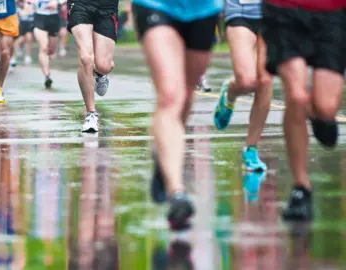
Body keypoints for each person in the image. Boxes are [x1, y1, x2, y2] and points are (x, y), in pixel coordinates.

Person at [131, 0, 222, 229]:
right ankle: (176, 192)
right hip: (156, 5)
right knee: (170, 95)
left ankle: (162, 153)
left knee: (186, 96)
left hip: (204, 9)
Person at [262, 0, 346, 221]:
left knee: (327, 107)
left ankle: (319, 114)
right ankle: (301, 187)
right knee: (296, 96)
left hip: (331, 13)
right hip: (283, 10)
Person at [212, 0, 272, 172]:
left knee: (265, 81)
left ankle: (251, 149)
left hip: (273, 14)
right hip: (241, 11)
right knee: (246, 80)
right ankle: (229, 93)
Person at [68, 0, 119, 132]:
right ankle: (91, 114)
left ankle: (100, 73)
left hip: (107, 6)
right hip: (80, 4)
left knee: (103, 66)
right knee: (86, 58)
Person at [28, 0, 64, 89]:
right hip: (39, 17)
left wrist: (58, 2)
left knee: (51, 51)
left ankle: (47, 71)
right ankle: (47, 76)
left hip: (53, 18)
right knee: (43, 48)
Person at [12, 0, 34, 65]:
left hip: (30, 21)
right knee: (19, 40)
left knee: (29, 38)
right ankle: (13, 57)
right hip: (20, 22)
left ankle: (28, 56)